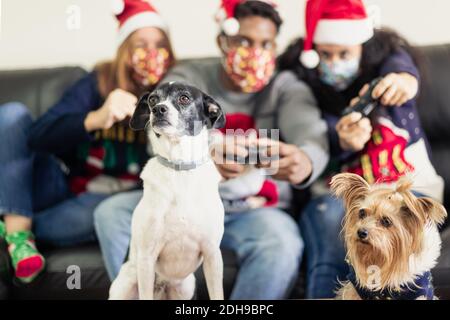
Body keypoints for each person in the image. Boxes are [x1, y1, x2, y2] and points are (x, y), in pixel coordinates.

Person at [94, 0, 329, 299]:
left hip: (252, 209)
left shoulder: (286, 86)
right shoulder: (190, 77)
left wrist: (305, 161)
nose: (254, 52)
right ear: (223, 40)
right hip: (178, 200)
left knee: (281, 244)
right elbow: (159, 123)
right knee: (111, 212)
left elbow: (313, 135)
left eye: (265, 43)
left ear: (275, 47)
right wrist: (210, 147)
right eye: (243, 40)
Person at [278, 0, 444, 298]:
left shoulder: (388, 62)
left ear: (364, 49)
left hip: (410, 188)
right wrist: (339, 142)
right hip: (334, 196)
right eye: (325, 54)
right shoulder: (300, 86)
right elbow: (306, 140)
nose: (335, 61)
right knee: (332, 228)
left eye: (345, 53)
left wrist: (405, 80)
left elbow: (400, 64)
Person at [0, 0, 175, 283]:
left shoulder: (177, 91)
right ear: (125, 49)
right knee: (11, 114)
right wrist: (96, 117)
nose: (151, 53)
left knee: (107, 213)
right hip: (65, 187)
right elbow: (38, 135)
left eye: (159, 44)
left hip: (112, 202)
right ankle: (17, 232)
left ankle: (12, 225)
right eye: (141, 44)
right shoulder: (99, 81)